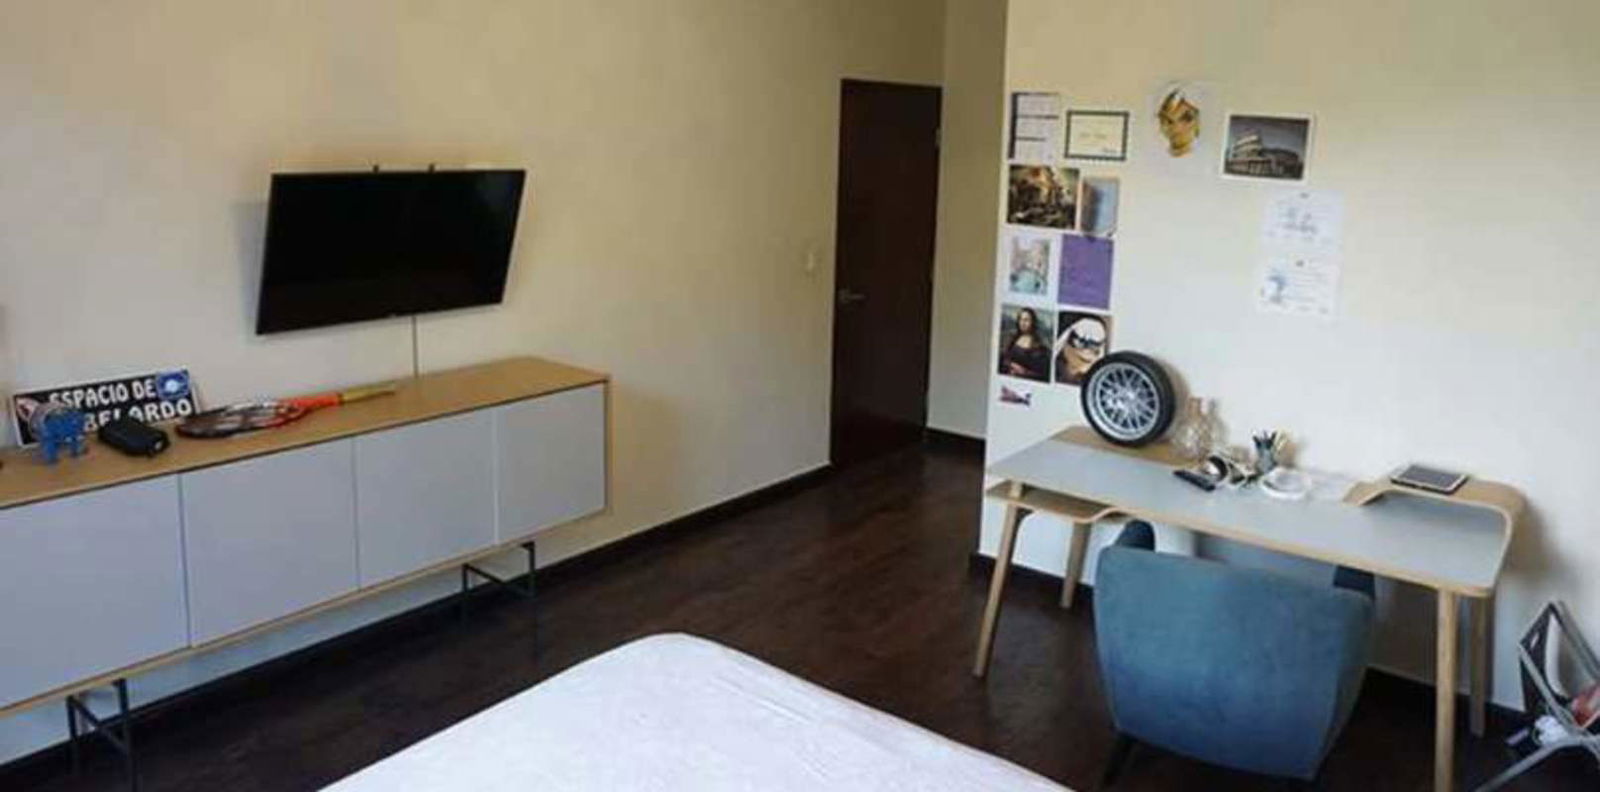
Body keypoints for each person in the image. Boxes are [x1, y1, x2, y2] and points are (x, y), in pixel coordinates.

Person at [999, 307, 1050, 381]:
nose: (1023, 323)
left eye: (1026, 320)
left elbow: (1042, 373)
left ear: (1033, 322)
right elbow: (1005, 358)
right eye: (1021, 319)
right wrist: (1011, 365)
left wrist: (1023, 372)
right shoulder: (1012, 338)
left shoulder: (1039, 346)